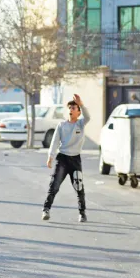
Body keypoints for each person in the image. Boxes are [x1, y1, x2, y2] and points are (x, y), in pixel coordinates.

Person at [43, 94, 91, 223]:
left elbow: (88, 117)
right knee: (54, 184)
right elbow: (54, 141)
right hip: (62, 159)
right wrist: (50, 157)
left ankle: (82, 213)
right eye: (70, 107)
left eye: (74, 108)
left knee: (79, 186)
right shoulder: (62, 125)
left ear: (78, 112)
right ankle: (46, 209)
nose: (71, 110)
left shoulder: (81, 123)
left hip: (75, 160)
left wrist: (81, 104)